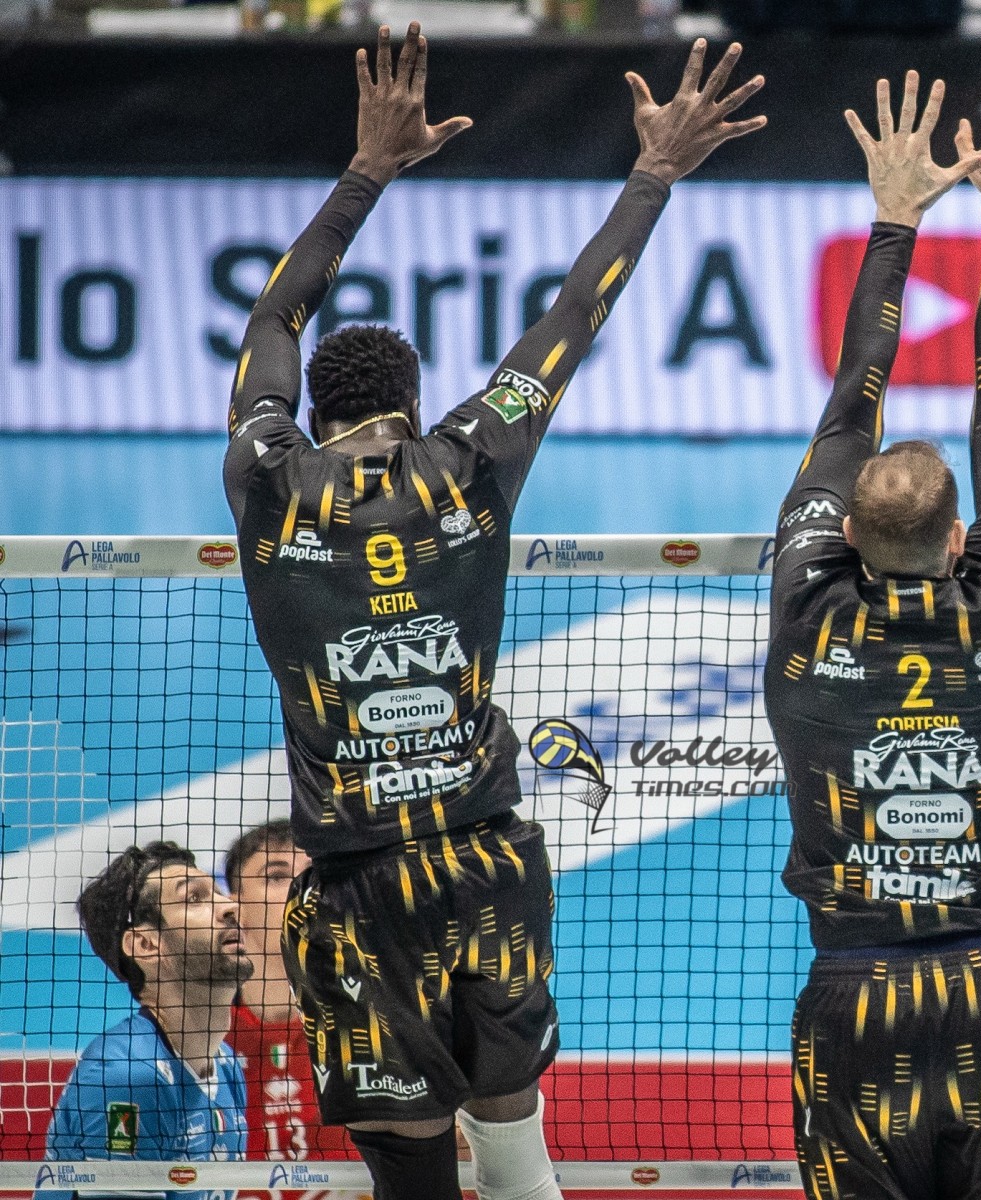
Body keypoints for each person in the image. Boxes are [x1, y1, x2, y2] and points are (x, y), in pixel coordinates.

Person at [220, 26, 764, 1200]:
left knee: (410, 1175)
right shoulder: (469, 462)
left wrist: (366, 170)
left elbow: (270, 324)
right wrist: (653, 173)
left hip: (357, 886)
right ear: (413, 405)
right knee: (514, 1143)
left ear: (315, 415)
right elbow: (573, 318)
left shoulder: (265, 479)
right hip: (486, 868)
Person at [765, 64, 981, 1200]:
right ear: (961, 540)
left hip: (854, 996)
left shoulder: (806, 608)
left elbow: (854, 396)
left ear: (842, 533)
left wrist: (893, 220)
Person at [45, 841, 252, 1200]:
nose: (230, 906)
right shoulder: (127, 1076)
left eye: (218, 892)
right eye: (195, 898)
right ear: (145, 945)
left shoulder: (228, 1065)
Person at [225, 819, 373, 1200]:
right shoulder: (200, 1037)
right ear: (233, 908)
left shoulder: (374, 1027)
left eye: (315, 874)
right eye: (276, 876)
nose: (304, 890)